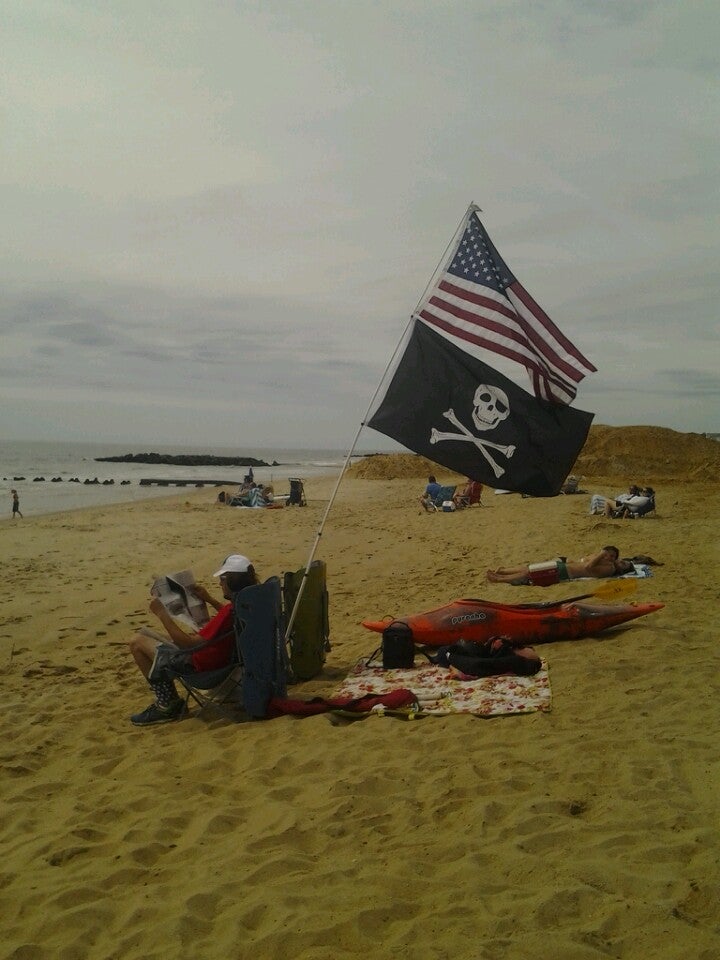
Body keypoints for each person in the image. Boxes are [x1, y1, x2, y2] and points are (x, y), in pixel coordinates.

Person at [128, 554, 259, 727]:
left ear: (231, 582)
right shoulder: (248, 604)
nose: (220, 583)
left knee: (137, 642)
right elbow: (230, 619)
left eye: (222, 579)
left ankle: (167, 704)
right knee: (150, 637)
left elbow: (188, 645)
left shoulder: (229, 612)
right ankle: (169, 702)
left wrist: (162, 614)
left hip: (198, 667)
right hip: (222, 659)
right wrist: (210, 600)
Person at [486, 546, 623, 585]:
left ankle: (499, 579)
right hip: (563, 566)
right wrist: (600, 556)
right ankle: (503, 572)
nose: (608, 557)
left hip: (564, 572)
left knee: (530, 573)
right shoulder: (603, 562)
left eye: (612, 556)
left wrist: (601, 555)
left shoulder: (609, 569)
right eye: (608, 554)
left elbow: (588, 567)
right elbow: (584, 560)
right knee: (530, 568)